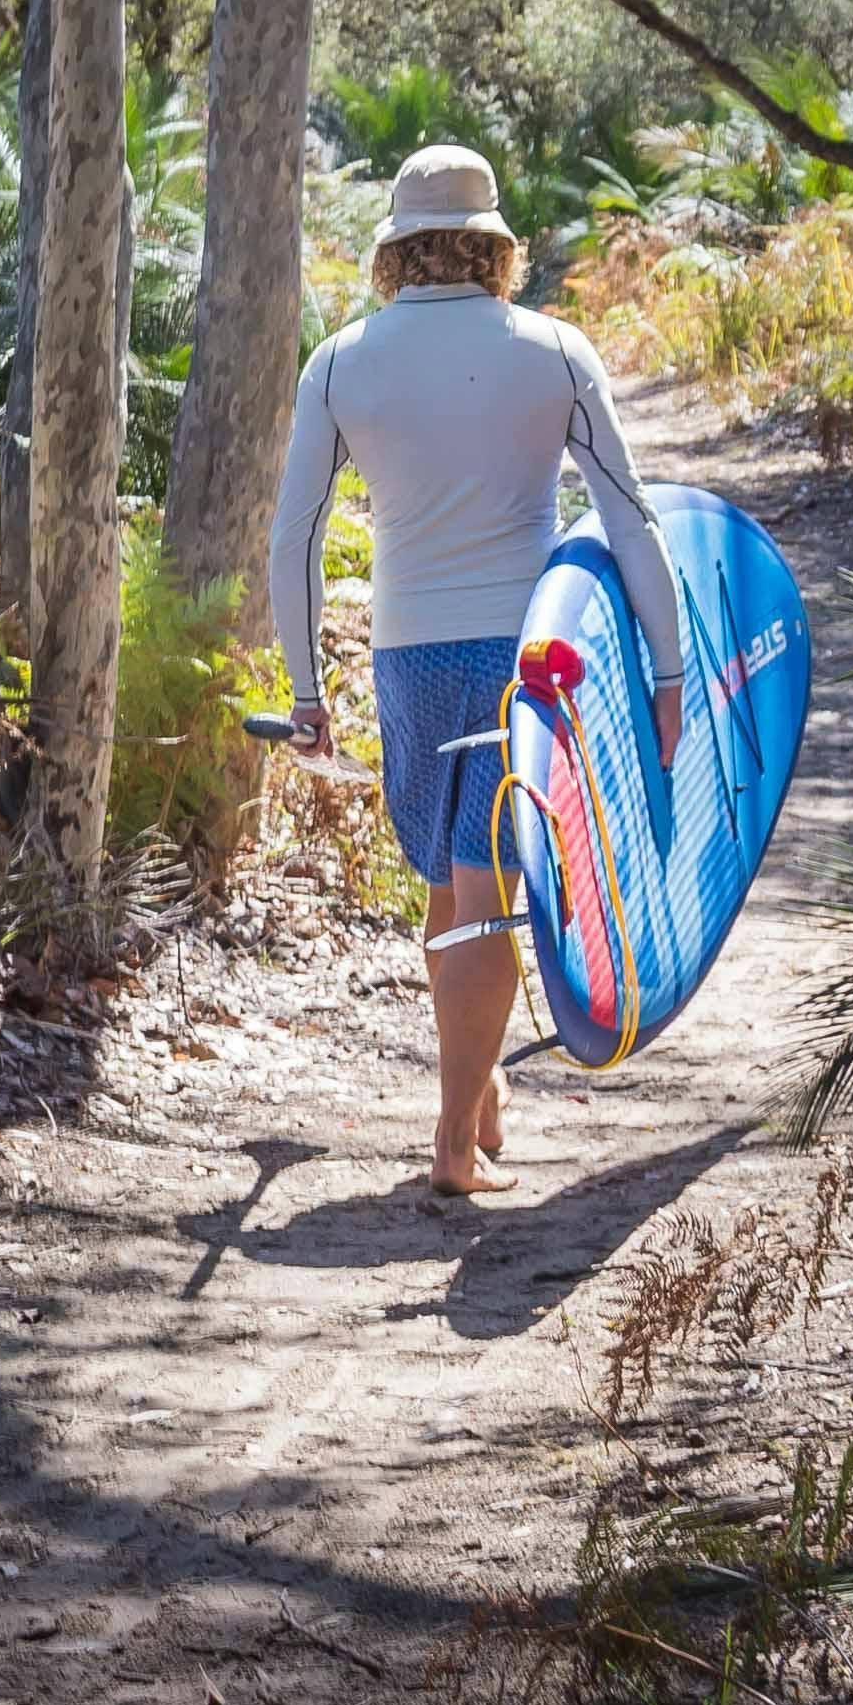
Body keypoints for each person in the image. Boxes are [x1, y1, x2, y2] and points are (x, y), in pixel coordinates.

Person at [267, 143, 682, 1197]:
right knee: (488, 894)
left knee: (455, 886)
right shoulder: (551, 350)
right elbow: (626, 519)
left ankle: (476, 1093)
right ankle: (453, 1147)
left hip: (406, 653)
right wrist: (668, 670)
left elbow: (294, 540)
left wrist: (306, 692)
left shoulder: (341, 362)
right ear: (495, 245)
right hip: (527, 651)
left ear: (395, 248)